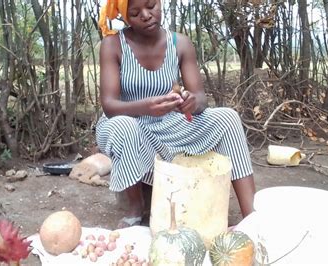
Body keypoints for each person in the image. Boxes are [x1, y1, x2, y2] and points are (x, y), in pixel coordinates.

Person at [97, 0, 256, 228]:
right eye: (135, 13)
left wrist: (191, 102)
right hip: (126, 124)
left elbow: (201, 99)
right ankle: (135, 209)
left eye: (151, 6)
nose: (146, 15)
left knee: (227, 118)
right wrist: (146, 107)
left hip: (170, 125)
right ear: (125, 18)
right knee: (125, 126)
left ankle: (251, 217)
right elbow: (109, 105)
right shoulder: (113, 45)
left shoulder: (179, 43)